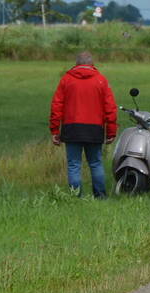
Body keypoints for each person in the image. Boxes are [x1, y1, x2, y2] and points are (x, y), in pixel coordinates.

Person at [49, 51, 117, 198]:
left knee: (74, 165)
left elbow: (57, 105)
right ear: (92, 64)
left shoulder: (66, 80)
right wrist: (111, 131)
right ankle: (100, 196)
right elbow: (110, 107)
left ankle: (76, 197)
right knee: (95, 164)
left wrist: (55, 130)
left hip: (72, 128)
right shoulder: (101, 80)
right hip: (94, 129)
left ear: (76, 64)